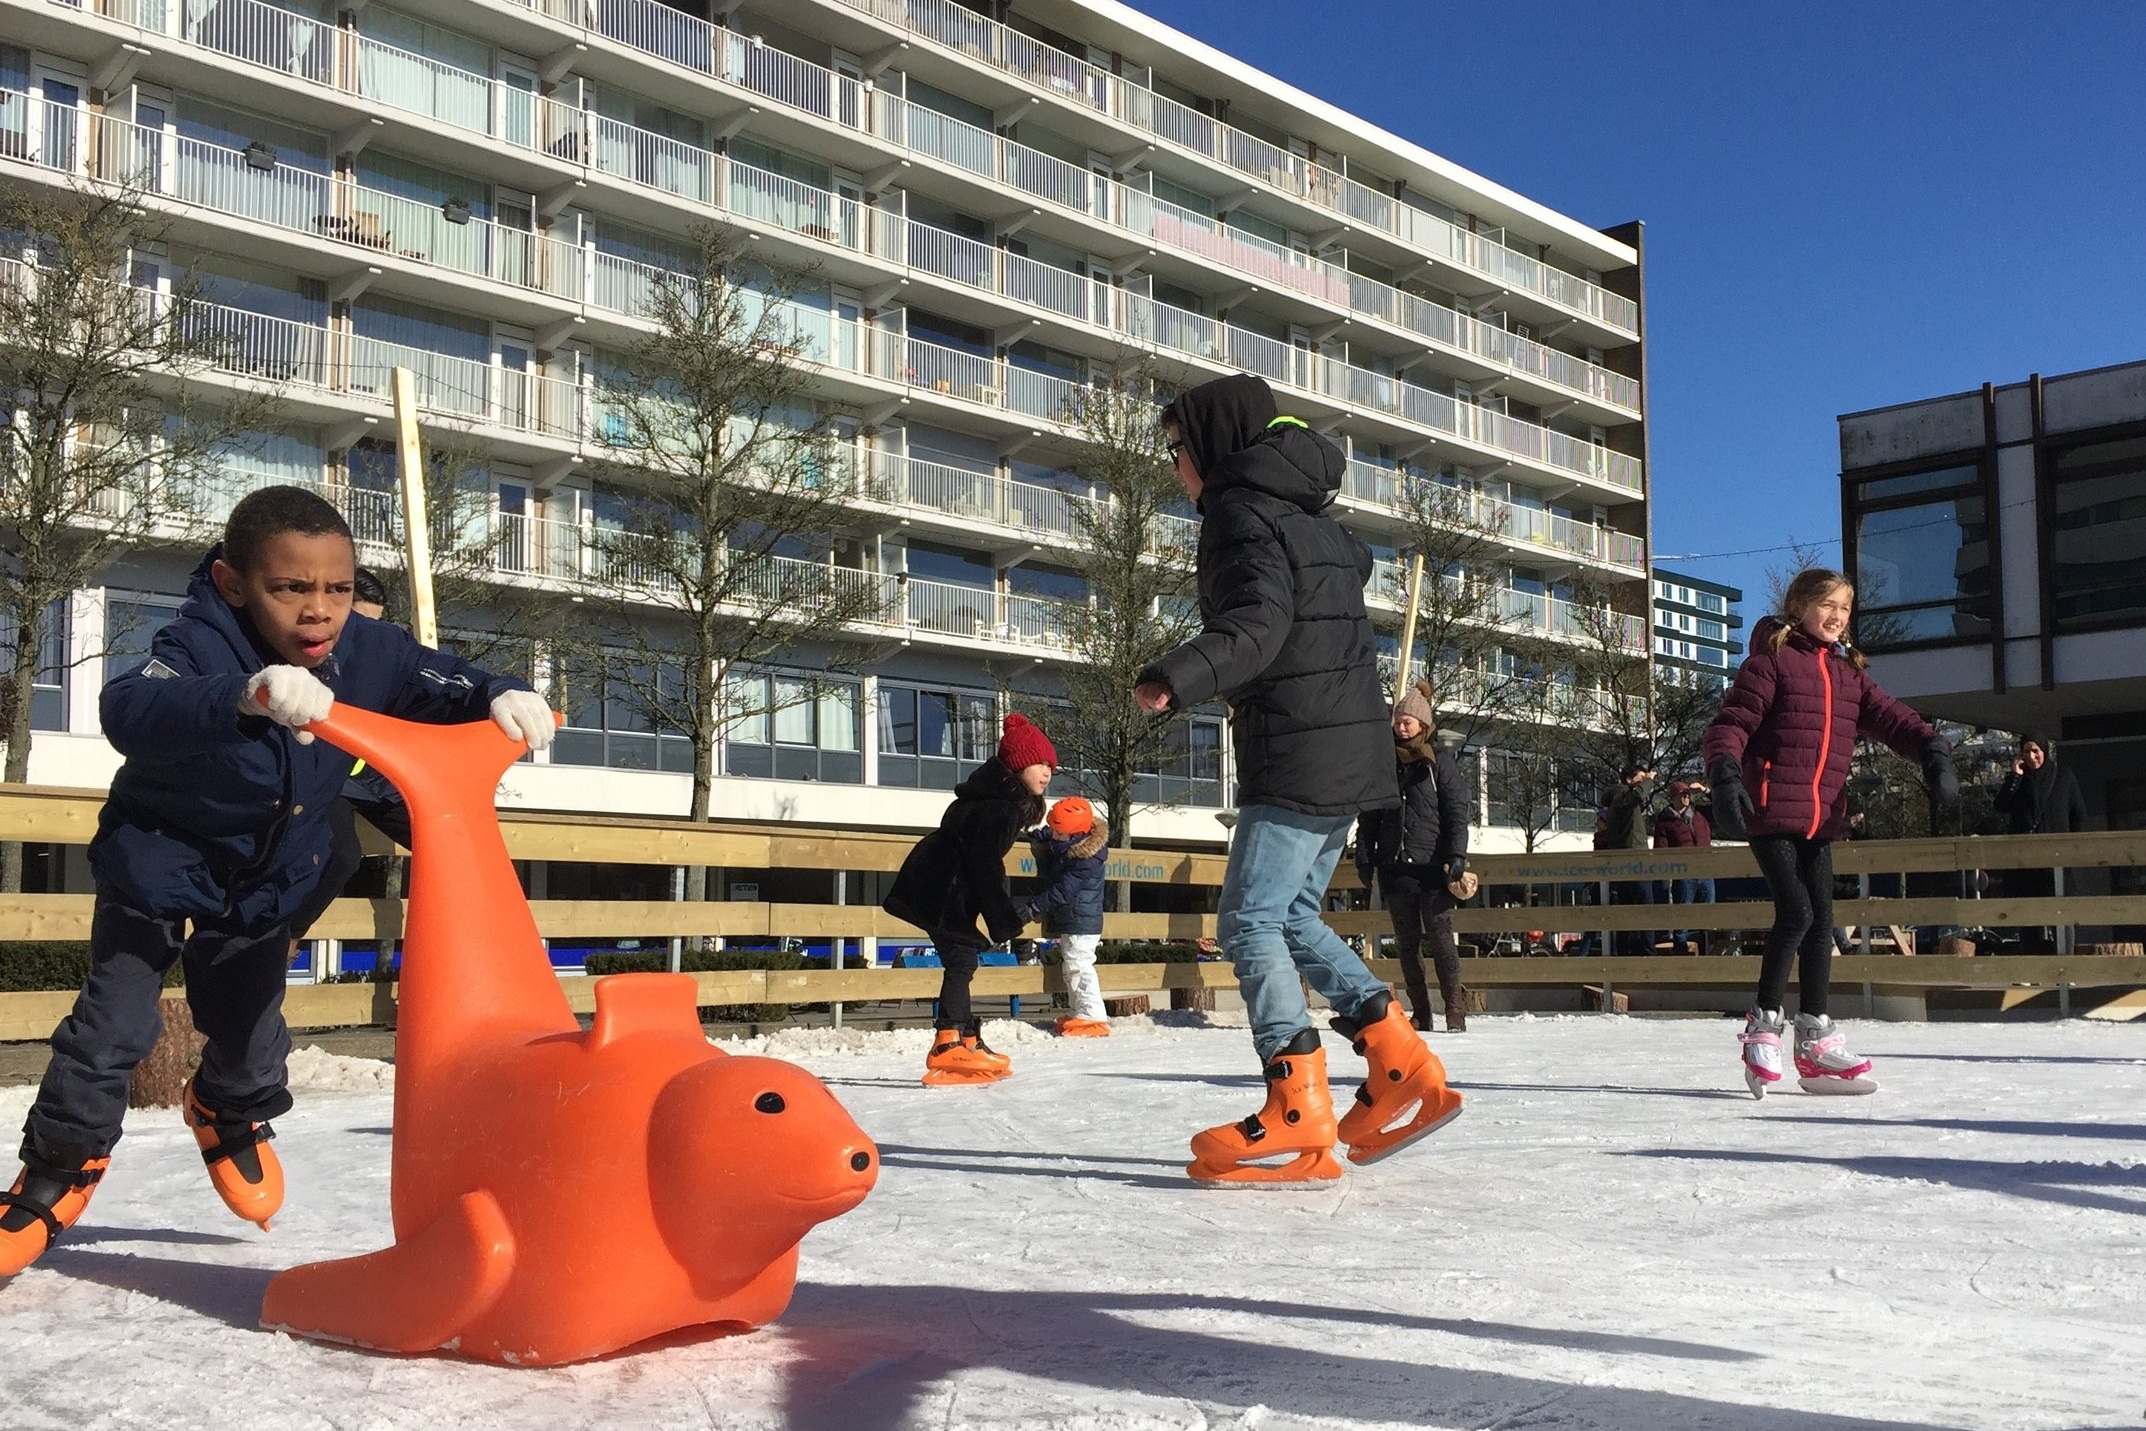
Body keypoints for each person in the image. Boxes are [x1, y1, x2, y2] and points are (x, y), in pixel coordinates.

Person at [0, 487, 553, 1275]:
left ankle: (226, 1108)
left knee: (254, 1033)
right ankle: (54, 1172)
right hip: (161, 860)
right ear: (233, 584)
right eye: (290, 588)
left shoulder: (368, 650)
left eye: (335, 587)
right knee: (113, 1024)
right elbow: (132, 706)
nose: (318, 610)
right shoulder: (202, 640)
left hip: (266, 879)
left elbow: (441, 676)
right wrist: (244, 694)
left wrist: (496, 689)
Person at [1133, 372, 1459, 1184]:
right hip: (1347, 751)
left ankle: (1295, 1100)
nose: (1174, 469)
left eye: (1177, 450)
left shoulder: (1242, 514)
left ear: (1213, 444)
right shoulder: (1311, 518)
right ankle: (1399, 1061)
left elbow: (1258, 624)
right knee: (1293, 918)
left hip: (1300, 749)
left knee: (1246, 922)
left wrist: (1178, 672)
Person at [1704, 567, 1957, 1098]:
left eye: (1844, 608)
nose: (1837, 617)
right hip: (1770, 810)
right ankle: (1764, 1026)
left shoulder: (1848, 676)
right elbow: (1732, 723)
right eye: (1827, 606)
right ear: (1799, 608)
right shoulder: (1769, 663)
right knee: (1796, 911)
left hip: (1821, 819)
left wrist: (1932, 749)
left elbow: (1893, 719)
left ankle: (1814, 1036)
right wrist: (1726, 773)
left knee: (1823, 920)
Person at [884, 713, 1055, 1085]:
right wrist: (1004, 920)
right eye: (1040, 763)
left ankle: (967, 1039)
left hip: (940, 885)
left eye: (1051, 766)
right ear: (1018, 763)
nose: (1047, 772)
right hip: (939, 889)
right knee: (961, 960)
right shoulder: (1001, 807)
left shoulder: (991, 798)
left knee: (963, 959)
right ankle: (948, 1042)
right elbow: (983, 864)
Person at [284, 568, 413, 955]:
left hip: (369, 775)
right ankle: (287, 939)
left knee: (441, 837)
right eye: (358, 623)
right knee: (342, 855)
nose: (364, 635)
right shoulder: (308, 653)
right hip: (325, 774)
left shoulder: (378, 660)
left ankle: (450, 947)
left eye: (375, 625)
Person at [1354, 681, 1472, 1032]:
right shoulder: (1384, 765)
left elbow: (1456, 809)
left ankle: (1455, 1010)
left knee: (1441, 940)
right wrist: (1365, 856)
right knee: (1405, 945)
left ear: (1423, 724)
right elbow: (1370, 815)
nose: (1402, 726)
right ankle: (1421, 1012)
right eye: (1398, 721)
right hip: (1395, 867)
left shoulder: (1439, 762)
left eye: (1408, 721)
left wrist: (1456, 854)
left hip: (1433, 867)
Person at [1019, 796, 1110, 1037]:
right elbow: (1054, 836)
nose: (1054, 835)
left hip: (1082, 921)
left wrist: (1032, 909)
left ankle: (1093, 1016)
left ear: (1076, 834)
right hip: (1075, 919)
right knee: (1071, 967)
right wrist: (1044, 836)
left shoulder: (1086, 859)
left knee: (1080, 965)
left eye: (1059, 833)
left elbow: (1062, 891)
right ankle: (1080, 1011)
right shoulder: (1073, 842)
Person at [1993, 730, 2088, 947]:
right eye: (2026, 751)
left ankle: (2065, 968)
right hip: (2025, 862)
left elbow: (2078, 816)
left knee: (2061, 917)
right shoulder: (2019, 779)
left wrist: (2074, 849)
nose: (2032, 756)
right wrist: (2014, 777)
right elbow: (2001, 806)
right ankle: (2032, 971)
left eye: (2036, 750)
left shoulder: (2063, 776)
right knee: (2028, 918)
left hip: (2056, 860)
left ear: (2044, 751)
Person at [1653, 779, 1714, 955]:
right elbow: (1661, 852)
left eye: (1688, 793)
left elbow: (1721, 804)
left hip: (1706, 871)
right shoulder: (1665, 822)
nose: (1687, 797)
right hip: (1684, 874)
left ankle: (1707, 956)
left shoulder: (1700, 814)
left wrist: (1704, 790)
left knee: (1709, 917)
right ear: (1673, 798)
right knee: (1682, 917)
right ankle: (1681, 957)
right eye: (1682, 794)